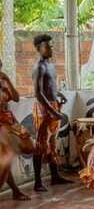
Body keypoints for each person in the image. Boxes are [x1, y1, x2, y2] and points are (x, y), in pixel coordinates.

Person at [31, 34, 71, 192]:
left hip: (53, 105)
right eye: (47, 47)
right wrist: (53, 111)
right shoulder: (39, 67)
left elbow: (50, 86)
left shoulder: (50, 65)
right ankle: (37, 182)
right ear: (38, 49)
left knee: (53, 143)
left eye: (51, 46)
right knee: (40, 144)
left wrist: (59, 95)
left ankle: (55, 176)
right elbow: (38, 93)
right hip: (44, 108)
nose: (50, 49)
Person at [0, 60, 34, 201]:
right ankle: (16, 191)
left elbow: (16, 98)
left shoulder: (3, 83)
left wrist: (7, 80)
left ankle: (15, 191)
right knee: (6, 160)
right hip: (1, 124)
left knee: (30, 146)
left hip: (9, 121)